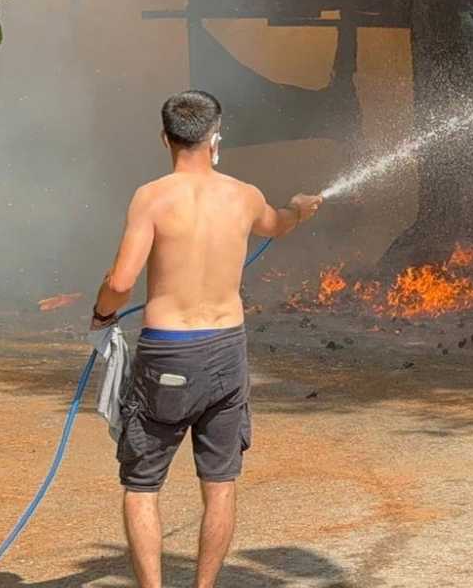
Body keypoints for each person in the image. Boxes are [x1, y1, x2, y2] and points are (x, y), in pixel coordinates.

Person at [89, 90, 322, 588]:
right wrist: (300, 209)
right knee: (220, 484)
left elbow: (122, 282)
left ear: (165, 138)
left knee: (142, 485)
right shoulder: (244, 195)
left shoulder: (151, 197)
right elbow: (278, 224)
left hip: (168, 352)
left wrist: (102, 311)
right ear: (216, 138)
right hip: (225, 351)